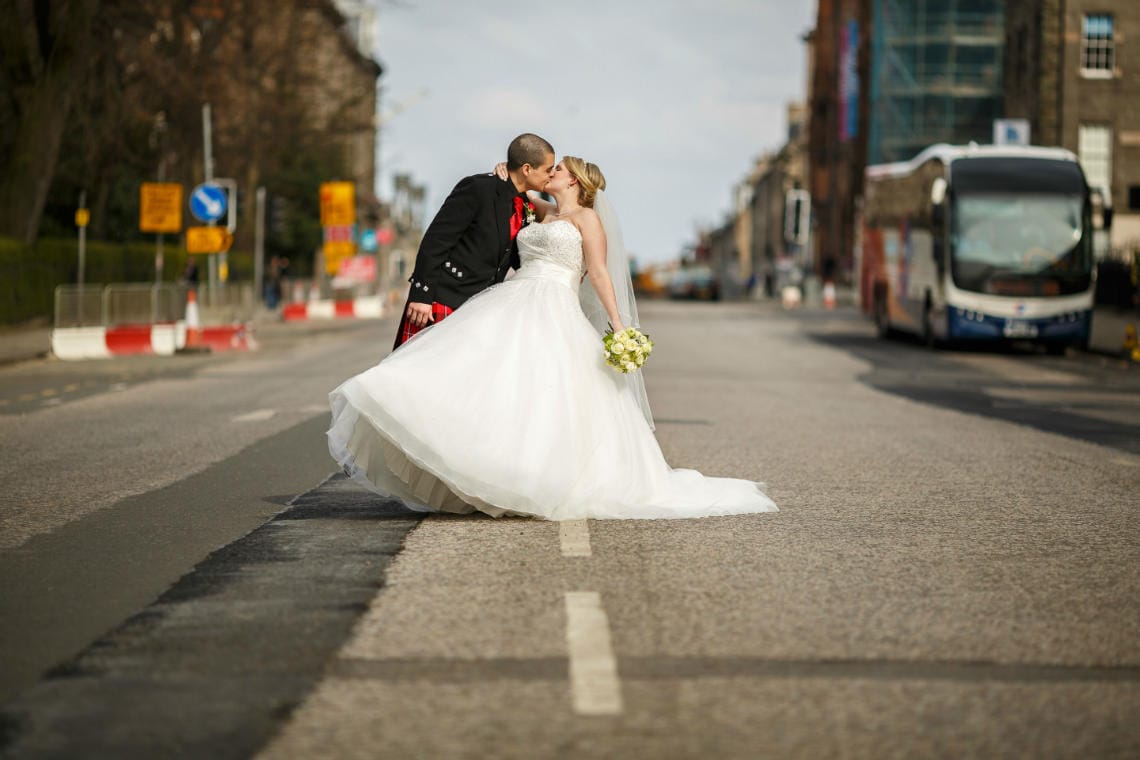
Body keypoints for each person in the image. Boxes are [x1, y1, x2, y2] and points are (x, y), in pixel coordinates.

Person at [328, 157, 777, 520]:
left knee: (549, 392)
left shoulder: (586, 220)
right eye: (547, 169)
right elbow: (517, 196)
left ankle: (537, 477)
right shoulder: (545, 212)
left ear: (576, 181)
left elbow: (598, 272)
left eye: (558, 170)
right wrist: (503, 176)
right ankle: (477, 465)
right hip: (513, 298)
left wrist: (619, 325)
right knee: (488, 377)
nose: (550, 173)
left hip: (555, 304)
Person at [392, 133, 556, 350]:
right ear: (527, 169)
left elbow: (517, 257)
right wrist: (421, 296)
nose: (551, 175)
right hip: (442, 300)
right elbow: (436, 241)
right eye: (547, 169)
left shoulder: (524, 204)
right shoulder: (478, 188)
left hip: (479, 307)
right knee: (417, 376)